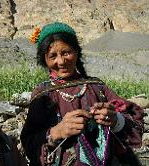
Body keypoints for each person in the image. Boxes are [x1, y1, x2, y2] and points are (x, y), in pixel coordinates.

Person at [20, 22, 144, 166]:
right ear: (44, 59)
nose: (61, 61)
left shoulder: (97, 87)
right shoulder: (42, 95)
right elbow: (28, 142)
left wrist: (116, 120)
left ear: (76, 52)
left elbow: (136, 121)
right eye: (52, 56)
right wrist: (55, 132)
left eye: (66, 52)